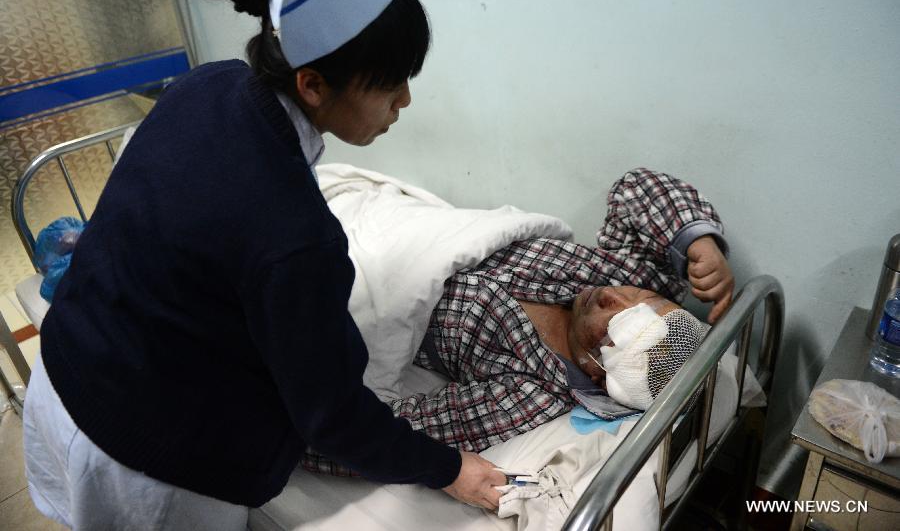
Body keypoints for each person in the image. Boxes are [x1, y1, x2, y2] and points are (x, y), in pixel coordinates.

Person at [23, 0, 504, 529]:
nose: (404, 101)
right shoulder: (297, 237)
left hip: (66, 362)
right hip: (138, 455)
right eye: (389, 85)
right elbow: (333, 418)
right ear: (312, 85)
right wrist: (447, 468)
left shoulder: (208, 84)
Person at [303, 167, 735, 475]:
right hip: (429, 231)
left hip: (377, 280)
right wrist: (699, 242)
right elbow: (633, 190)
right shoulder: (625, 276)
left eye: (610, 326)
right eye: (642, 298)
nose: (610, 295)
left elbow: (401, 429)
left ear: (596, 373)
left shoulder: (527, 391)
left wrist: (289, 439)